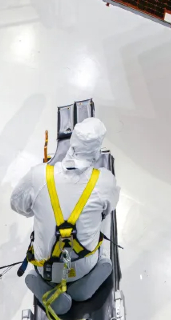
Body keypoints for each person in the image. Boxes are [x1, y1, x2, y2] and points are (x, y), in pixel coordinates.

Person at [11, 118, 119, 317]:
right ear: (97, 149)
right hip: (84, 265)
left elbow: (17, 204)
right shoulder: (105, 181)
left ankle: (46, 287)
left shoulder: (38, 176)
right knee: (101, 240)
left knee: (42, 244)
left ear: (72, 143)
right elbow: (108, 209)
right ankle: (84, 284)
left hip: (48, 268)